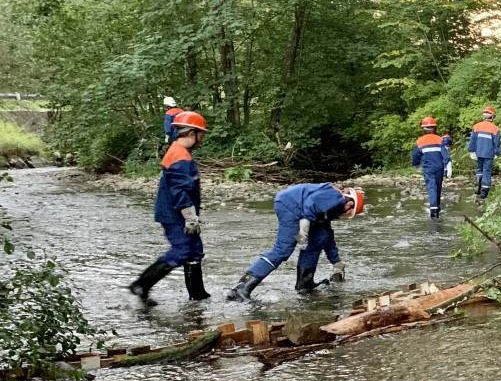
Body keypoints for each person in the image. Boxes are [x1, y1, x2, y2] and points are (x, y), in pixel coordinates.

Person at [226, 184, 364, 300]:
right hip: (289, 205)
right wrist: (304, 228)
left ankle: (304, 283)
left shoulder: (333, 207)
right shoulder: (337, 198)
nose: (346, 216)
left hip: (302, 211)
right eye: (349, 213)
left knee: (321, 236)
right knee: (282, 250)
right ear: (350, 203)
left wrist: (336, 262)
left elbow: (328, 237)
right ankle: (241, 289)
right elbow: (310, 204)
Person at [129, 110, 210, 306]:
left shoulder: (179, 152)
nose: (202, 139)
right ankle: (141, 285)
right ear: (192, 133)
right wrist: (190, 217)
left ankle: (198, 295)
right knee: (182, 251)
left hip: (178, 213)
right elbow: (179, 191)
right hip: (175, 215)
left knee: (194, 251)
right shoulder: (180, 157)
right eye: (201, 135)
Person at [411, 116, 452, 218]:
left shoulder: (420, 141)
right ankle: (437, 207)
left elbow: (415, 156)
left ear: (423, 129)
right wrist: (448, 165)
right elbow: (445, 154)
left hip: (428, 168)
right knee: (438, 188)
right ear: (434, 128)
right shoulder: (440, 140)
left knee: (431, 188)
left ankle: (433, 211)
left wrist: (415, 164)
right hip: (440, 167)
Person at [467, 106, 501, 199]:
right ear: (493, 117)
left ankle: (478, 187)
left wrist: (471, 151)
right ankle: (484, 194)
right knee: (487, 171)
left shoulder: (476, 126)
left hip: (478, 152)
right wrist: (497, 153)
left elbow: (472, 140)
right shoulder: (495, 128)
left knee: (479, 170)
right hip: (489, 154)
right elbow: (496, 143)